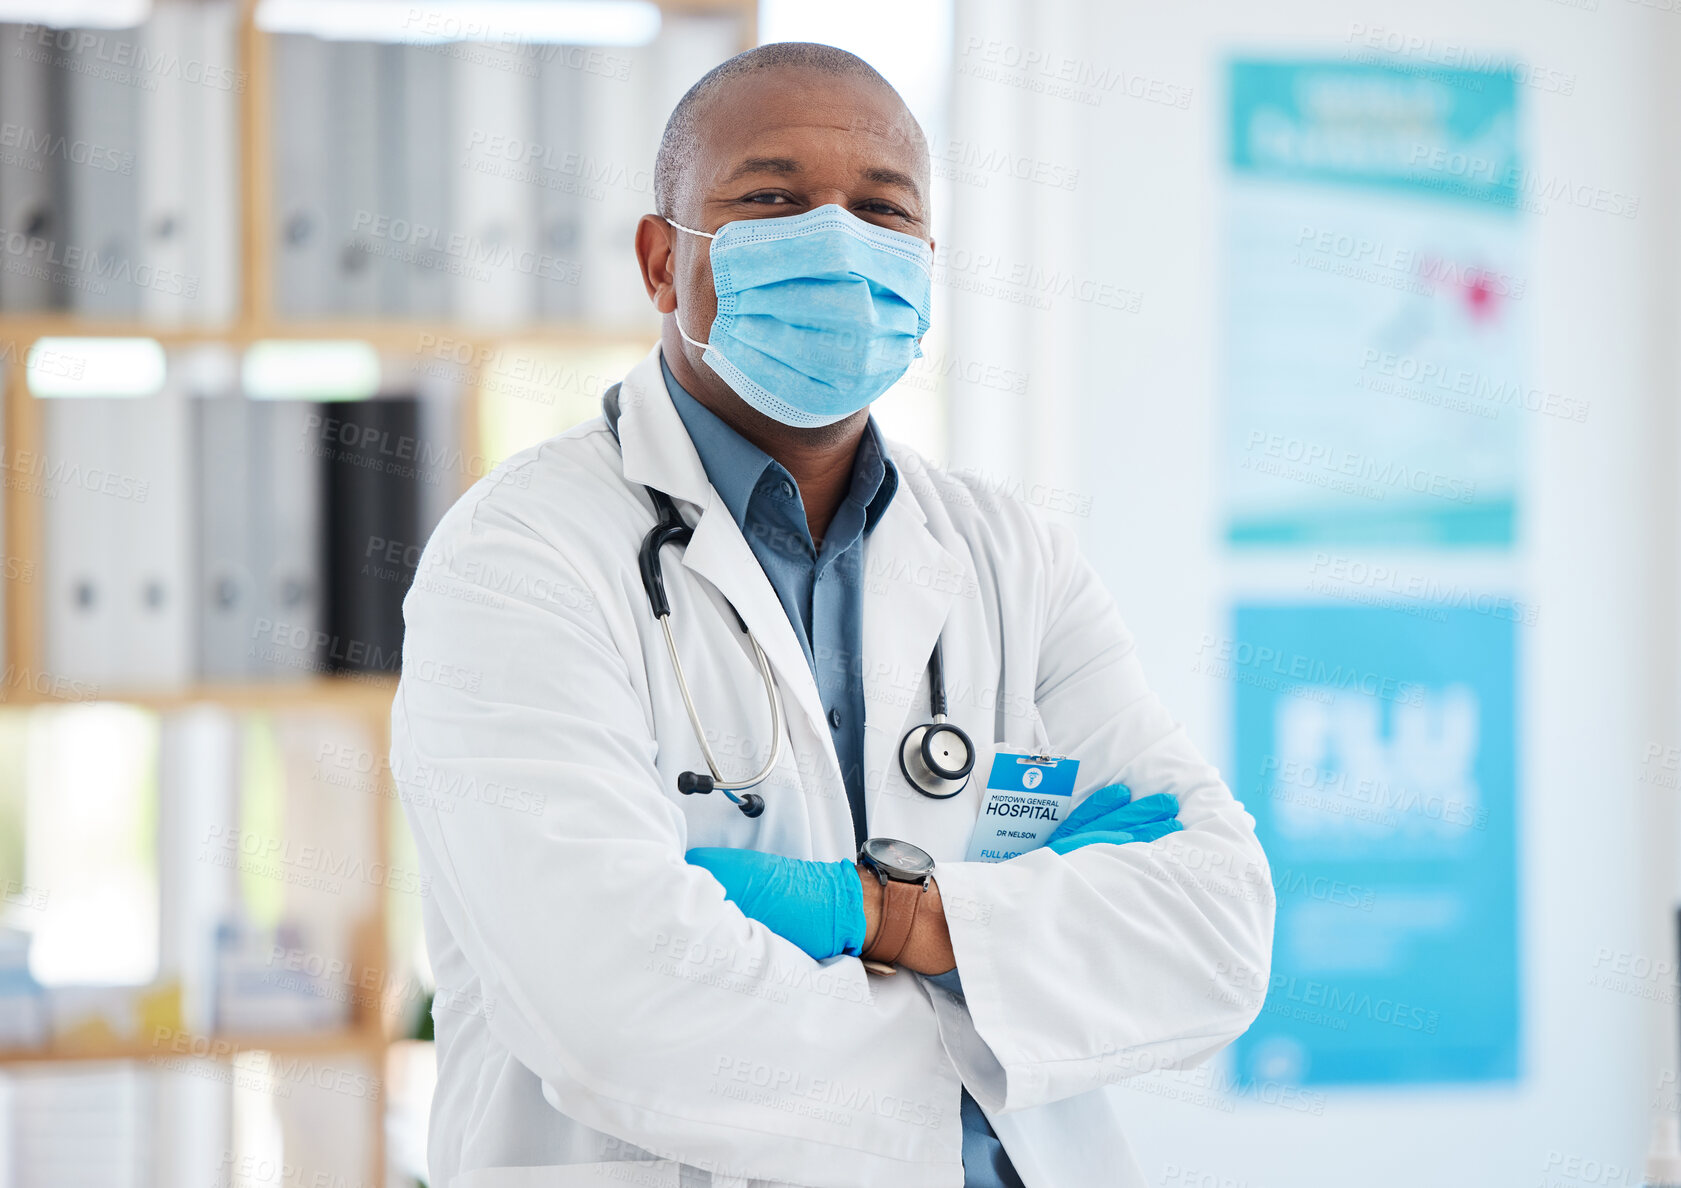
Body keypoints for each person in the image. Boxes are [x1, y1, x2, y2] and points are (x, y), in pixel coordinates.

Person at [391, 42, 1273, 1188]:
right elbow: (616, 1002)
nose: (837, 241)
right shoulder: (520, 560)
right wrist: (993, 988)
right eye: (772, 200)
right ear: (663, 262)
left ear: (924, 263)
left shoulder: (1011, 558)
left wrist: (879, 915)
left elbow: (1213, 931)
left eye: (880, 210)